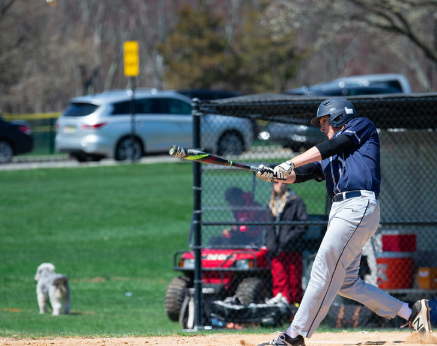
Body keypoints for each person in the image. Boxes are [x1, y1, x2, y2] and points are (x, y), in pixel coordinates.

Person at [256, 97, 432, 346]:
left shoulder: (361, 126)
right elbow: (306, 172)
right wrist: (276, 173)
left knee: (323, 270)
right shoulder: (330, 154)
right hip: (343, 211)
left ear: (340, 117)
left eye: (325, 121)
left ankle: (294, 336)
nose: (321, 127)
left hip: (357, 206)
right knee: (347, 284)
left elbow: (332, 146)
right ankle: (411, 313)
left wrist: (291, 162)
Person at [265, 181, 308, 305]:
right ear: (272, 184)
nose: (280, 185)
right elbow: (268, 228)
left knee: (294, 283)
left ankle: (295, 313)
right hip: (276, 251)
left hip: (292, 249)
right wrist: (270, 244)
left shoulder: (295, 201)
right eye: (277, 182)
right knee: (279, 281)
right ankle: (281, 310)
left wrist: (288, 239)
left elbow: (303, 224)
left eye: (283, 182)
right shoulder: (270, 203)